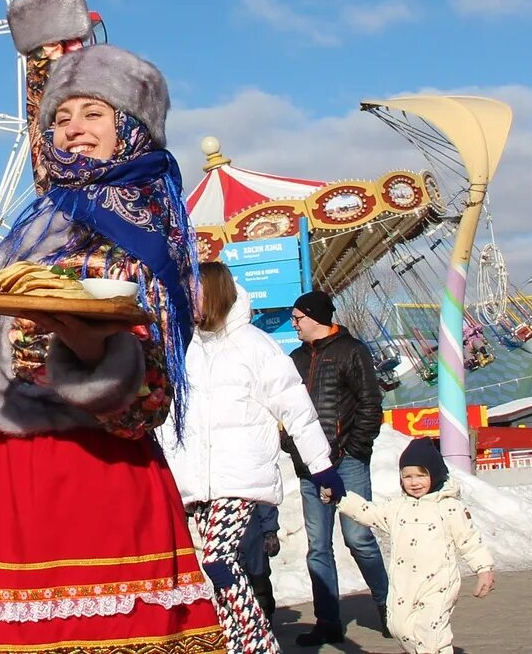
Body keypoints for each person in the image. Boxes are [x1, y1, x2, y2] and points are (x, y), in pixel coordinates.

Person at [0, 0, 224, 653]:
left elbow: (153, 380)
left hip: (96, 454)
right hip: (19, 457)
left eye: (92, 114)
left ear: (130, 128)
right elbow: (48, 81)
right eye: (62, 118)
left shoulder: (148, 220)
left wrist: (85, 348)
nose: (70, 126)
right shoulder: (56, 198)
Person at [158, 261, 340, 651]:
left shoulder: (254, 345)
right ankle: (236, 643)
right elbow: (174, 420)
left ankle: (260, 643)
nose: (189, 300)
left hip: (241, 475)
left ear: (216, 293)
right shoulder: (188, 348)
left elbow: (295, 407)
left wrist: (320, 464)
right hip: (201, 479)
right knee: (223, 571)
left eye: (196, 292)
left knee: (218, 561)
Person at [285, 289, 390, 646]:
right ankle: (327, 620)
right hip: (309, 469)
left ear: (315, 317)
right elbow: (284, 410)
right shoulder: (294, 359)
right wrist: (294, 448)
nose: (294, 324)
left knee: (359, 537)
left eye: (298, 318)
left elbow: (370, 403)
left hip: (348, 463)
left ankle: (390, 606)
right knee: (318, 546)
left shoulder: (352, 351)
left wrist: (356, 449)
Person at [330, 438, 495, 654]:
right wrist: (341, 497)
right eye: (407, 476)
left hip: (438, 583)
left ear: (434, 475)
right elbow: (369, 513)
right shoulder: (398, 507)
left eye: (421, 475)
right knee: (398, 627)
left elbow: (469, 540)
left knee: (431, 633)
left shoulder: (448, 507)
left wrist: (484, 569)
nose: (414, 482)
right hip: (404, 583)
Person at [239, 503, 280, 623]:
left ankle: (265, 618)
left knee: (258, 576)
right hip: (222, 527)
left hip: (252, 527)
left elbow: (264, 496)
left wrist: (270, 531)